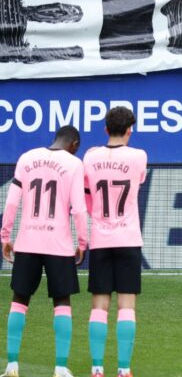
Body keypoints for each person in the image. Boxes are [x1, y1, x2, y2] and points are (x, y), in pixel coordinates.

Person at [1, 125, 88, 377]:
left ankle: (12, 366)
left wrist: (5, 236)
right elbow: (79, 210)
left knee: (19, 301)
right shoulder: (73, 164)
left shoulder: (26, 158)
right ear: (74, 144)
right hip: (58, 245)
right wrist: (82, 242)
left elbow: (11, 202)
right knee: (62, 303)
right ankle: (60, 368)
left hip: (27, 241)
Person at [82, 107, 147, 377]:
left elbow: (87, 195)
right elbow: (138, 182)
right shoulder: (139, 156)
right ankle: (124, 369)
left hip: (100, 238)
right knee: (127, 305)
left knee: (99, 306)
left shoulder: (90, 156)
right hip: (128, 238)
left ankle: (97, 369)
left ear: (106, 129)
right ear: (130, 129)